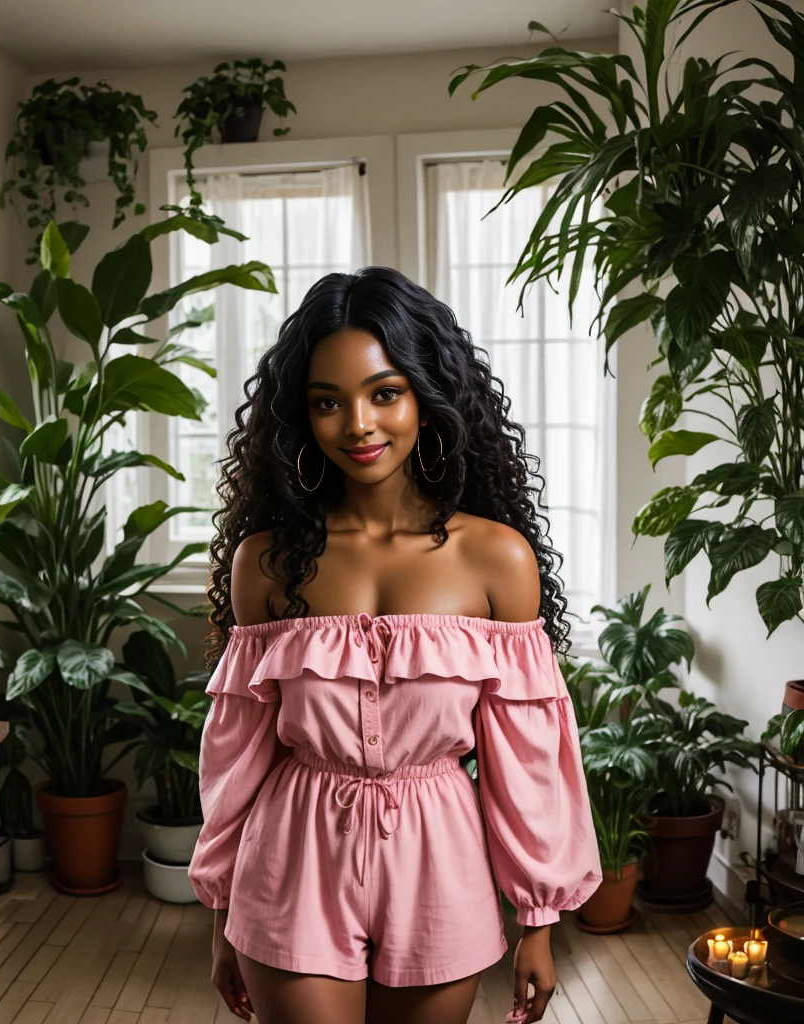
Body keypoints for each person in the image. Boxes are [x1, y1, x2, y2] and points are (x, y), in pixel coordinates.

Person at [187, 266, 602, 1024]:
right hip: (291, 862)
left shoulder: (497, 560)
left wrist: (538, 922)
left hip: (441, 859)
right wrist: (220, 911)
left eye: (385, 393)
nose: (357, 425)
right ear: (299, 417)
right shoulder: (267, 563)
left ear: (428, 395)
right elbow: (238, 761)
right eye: (327, 402)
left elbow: (528, 760)